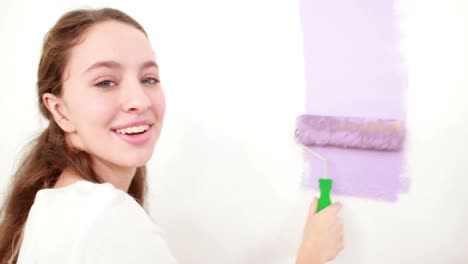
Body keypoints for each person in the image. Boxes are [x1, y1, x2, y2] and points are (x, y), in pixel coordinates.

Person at [0, 8, 343, 264]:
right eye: (106, 82)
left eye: (149, 78)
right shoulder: (103, 217)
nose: (139, 101)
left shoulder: (55, 207)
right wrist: (311, 256)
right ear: (59, 110)